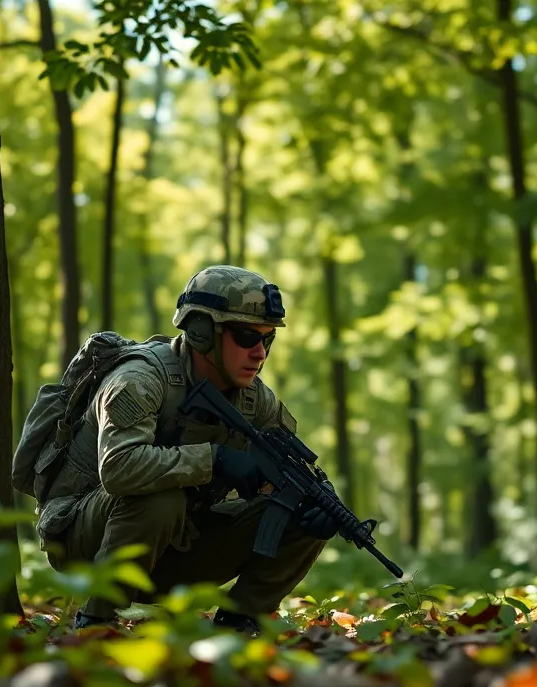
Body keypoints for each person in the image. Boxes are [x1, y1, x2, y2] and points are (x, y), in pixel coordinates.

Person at [33, 265, 336, 633]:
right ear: (202, 332)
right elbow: (119, 469)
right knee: (161, 498)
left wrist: (314, 500)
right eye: (245, 337)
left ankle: (240, 623)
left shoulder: (256, 401)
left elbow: (283, 471)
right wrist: (216, 459)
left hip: (176, 546)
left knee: (308, 505)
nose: (259, 353)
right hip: (83, 541)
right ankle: (96, 621)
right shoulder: (141, 378)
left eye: (267, 340)